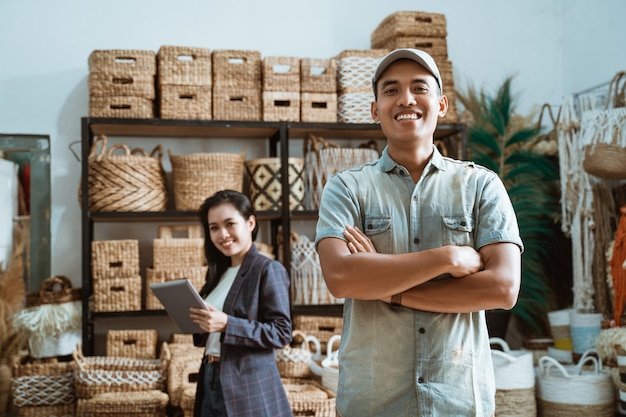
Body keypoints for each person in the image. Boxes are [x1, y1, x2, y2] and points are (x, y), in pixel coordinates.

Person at [315, 48, 523, 416]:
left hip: (458, 399)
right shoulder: (346, 189)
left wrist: (389, 290)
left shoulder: (481, 186)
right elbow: (342, 278)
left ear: (441, 105)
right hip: (373, 401)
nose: (406, 99)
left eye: (419, 88)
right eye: (391, 90)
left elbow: (503, 288)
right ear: (374, 110)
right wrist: (448, 257)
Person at [189, 189, 294, 417]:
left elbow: (282, 333)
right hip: (210, 375)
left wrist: (227, 324)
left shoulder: (267, 269)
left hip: (247, 384)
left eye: (230, 224)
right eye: (214, 228)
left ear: (250, 223)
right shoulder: (218, 273)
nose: (222, 234)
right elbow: (213, 331)